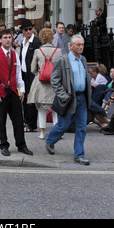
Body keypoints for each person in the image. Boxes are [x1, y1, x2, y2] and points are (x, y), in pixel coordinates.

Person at [45, 35, 92, 165]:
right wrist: (63, 95)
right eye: (78, 45)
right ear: (70, 46)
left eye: (82, 44)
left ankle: (79, 154)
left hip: (81, 97)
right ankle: (50, 140)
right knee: (63, 125)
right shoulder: (62, 61)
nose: (81, 47)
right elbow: (54, 80)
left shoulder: (83, 59)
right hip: (68, 99)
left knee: (82, 127)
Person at [0, 29, 33, 157]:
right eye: (5, 37)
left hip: (13, 92)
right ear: (0, 40)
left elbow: (18, 74)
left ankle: (21, 145)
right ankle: (4, 145)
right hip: (0, 92)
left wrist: (22, 90)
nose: (8, 40)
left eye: (10, 37)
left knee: (18, 120)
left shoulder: (14, 54)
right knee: (1, 121)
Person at [28, 28, 62, 139]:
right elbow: (61, 68)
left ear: (42, 38)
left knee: (41, 108)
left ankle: (42, 132)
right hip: (54, 82)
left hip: (41, 82)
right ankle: (56, 133)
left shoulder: (38, 51)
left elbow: (32, 68)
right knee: (55, 109)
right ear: (52, 37)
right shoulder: (58, 51)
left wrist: (39, 72)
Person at [19, 18, 41, 132]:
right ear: (22, 31)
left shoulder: (36, 42)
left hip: (32, 74)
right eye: (26, 30)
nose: (28, 31)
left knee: (31, 99)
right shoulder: (23, 42)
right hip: (23, 74)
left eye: (30, 29)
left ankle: (32, 124)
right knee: (24, 97)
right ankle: (26, 121)